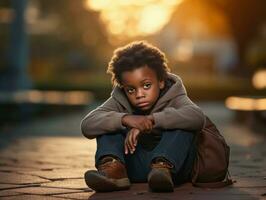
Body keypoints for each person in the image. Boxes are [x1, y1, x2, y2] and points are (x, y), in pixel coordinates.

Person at [81, 41, 205, 192]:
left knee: (182, 122)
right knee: (108, 122)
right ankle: (114, 172)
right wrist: (125, 119)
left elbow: (198, 117)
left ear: (161, 81)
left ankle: (161, 168)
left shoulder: (174, 94)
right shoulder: (119, 100)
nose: (139, 95)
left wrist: (151, 120)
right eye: (131, 89)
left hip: (172, 169)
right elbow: (87, 125)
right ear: (123, 88)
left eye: (146, 85)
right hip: (133, 166)